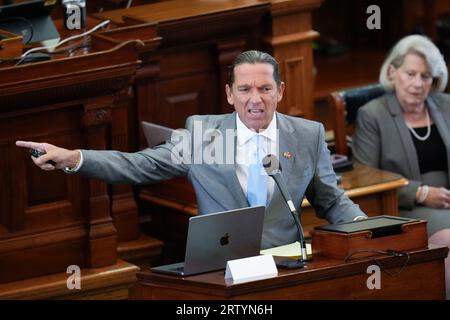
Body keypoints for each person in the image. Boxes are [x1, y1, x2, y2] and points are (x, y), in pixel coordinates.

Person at [16, 50, 366, 250]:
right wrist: (73, 158)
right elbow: (139, 166)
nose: (255, 99)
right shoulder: (203, 135)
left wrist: (368, 227)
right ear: (230, 94)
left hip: (287, 263)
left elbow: (331, 201)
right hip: (220, 265)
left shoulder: (307, 134)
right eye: (245, 89)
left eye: (264, 88)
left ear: (281, 91)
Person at [352, 35, 450, 298]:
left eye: (426, 76)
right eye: (411, 73)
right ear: (393, 72)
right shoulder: (373, 114)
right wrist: (420, 192)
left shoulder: (446, 105)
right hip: (406, 208)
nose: (418, 83)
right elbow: (366, 180)